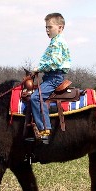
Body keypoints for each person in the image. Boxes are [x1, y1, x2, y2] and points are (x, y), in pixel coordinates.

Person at [31, 13, 71, 144]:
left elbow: (55, 61)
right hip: (50, 76)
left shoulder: (58, 42)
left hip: (54, 77)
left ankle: (44, 130)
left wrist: (39, 68)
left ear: (60, 28)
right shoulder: (55, 42)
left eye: (50, 27)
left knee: (36, 98)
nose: (47, 30)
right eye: (46, 28)